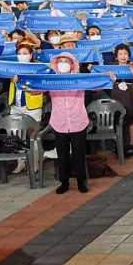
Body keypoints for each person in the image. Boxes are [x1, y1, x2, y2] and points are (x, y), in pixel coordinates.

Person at [30, 53, 89, 194]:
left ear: (72, 64)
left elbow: (97, 85)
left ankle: (82, 182)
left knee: (79, 153)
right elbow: (34, 90)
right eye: (60, 61)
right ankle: (64, 182)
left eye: (66, 61)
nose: (63, 63)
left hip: (78, 120)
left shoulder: (79, 80)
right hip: (59, 121)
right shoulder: (52, 81)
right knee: (61, 154)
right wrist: (20, 81)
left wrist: (107, 77)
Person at [111, 44, 133, 155]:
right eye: (120, 54)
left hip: (131, 95)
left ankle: (131, 143)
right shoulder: (111, 68)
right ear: (116, 56)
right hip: (117, 96)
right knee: (117, 117)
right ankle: (119, 143)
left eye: (125, 54)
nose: (123, 56)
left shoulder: (132, 67)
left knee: (131, 117)